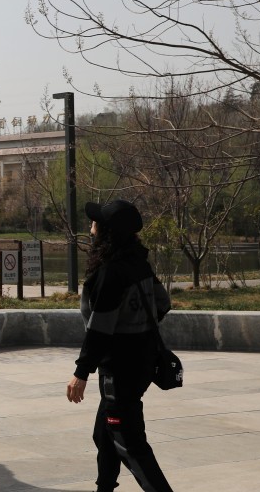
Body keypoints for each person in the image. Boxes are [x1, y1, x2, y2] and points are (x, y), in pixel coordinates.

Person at [66, 199, 174, 492]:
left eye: (95, 222)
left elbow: (100, 331)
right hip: (143, 361)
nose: (90, 226)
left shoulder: (110, 273)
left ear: (105, 232)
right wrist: (135, 324)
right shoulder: (138, 263)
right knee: (105, 434)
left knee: (128, 442)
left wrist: (81, 372)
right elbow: (163, 303)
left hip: (120, 368)